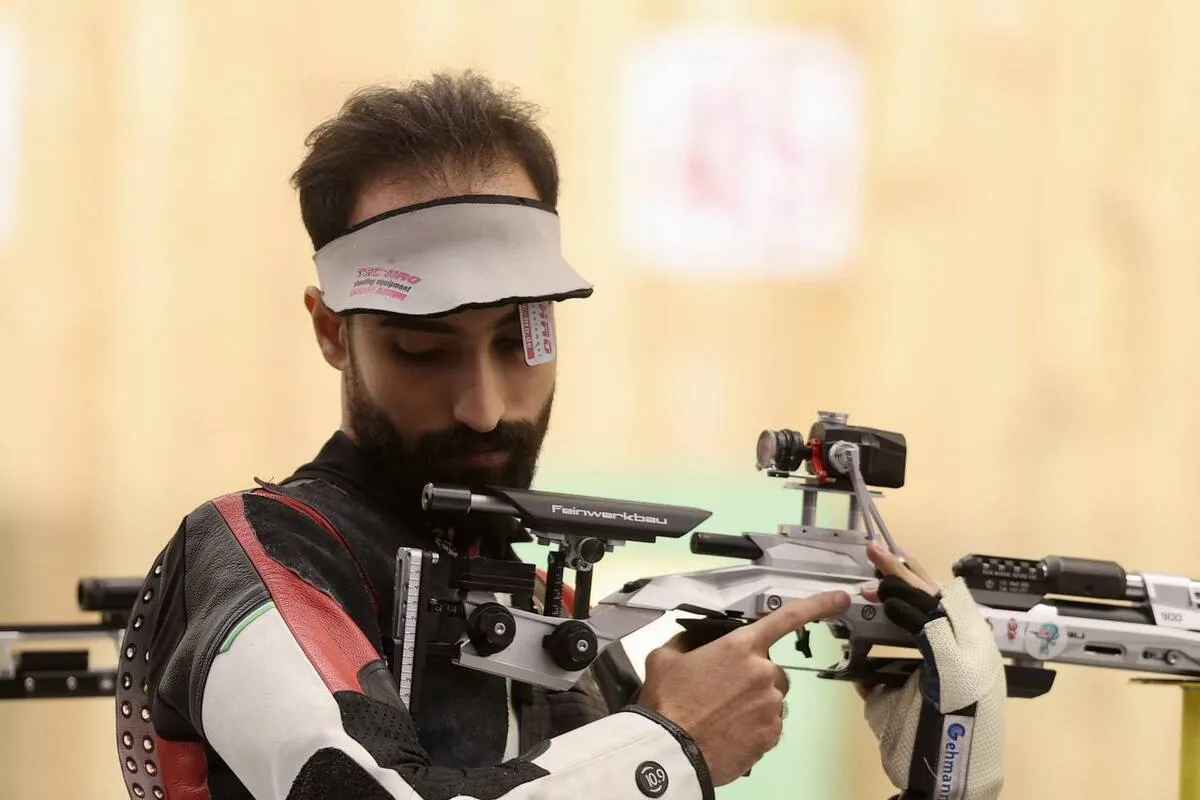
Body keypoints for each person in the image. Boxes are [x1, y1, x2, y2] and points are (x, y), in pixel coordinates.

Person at [117, 72, 1007, 800]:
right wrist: (671, 744)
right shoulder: (254, 552)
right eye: (424, 350)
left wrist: (943, 777)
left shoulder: (551, 608)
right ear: (330, 330)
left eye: (518, 343)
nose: (484, 406)